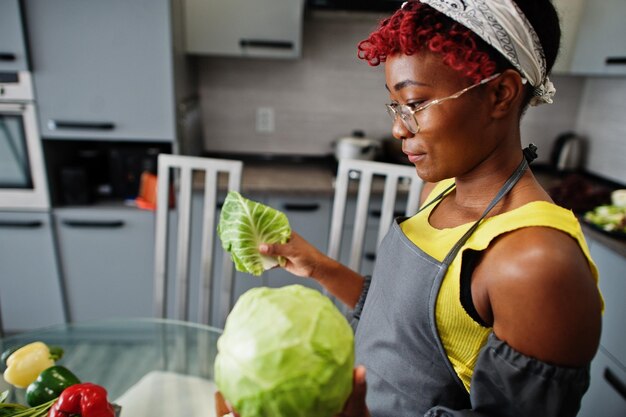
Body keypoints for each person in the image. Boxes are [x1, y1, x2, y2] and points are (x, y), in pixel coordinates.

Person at [218, 1, 603, 416]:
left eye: (416, 103)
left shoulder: (535, 262)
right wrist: (318, 267)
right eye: (395, 105)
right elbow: (402, 326)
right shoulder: (439, 189)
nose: (398, 128)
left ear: (500, 94)